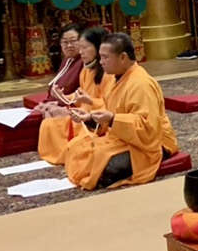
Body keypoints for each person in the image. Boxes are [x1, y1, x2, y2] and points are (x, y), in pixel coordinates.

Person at [63, 33, 177, 190]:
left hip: (153, 143)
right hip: (123, 138)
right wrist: (89, 118)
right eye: (100, 57)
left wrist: (112, 119)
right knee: (76, 146)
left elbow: (147, 128)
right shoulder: (115, 79)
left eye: (105, 57)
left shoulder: (141, 84)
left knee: (106, 163)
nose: (101, 62)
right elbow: (109, 112)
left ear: (123, 57)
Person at [37, 25, 109, 166]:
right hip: (86, 112)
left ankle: (69, 152)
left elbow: (112, 104)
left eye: (84, 48)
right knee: (49, 123)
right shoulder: (87, 70)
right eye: (80, 48)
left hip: (99, 119)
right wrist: (62, 98)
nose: (80, 52)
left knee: (75, 143)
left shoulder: (109, 73)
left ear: (98, 48)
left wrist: (89, 104)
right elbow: (80, 95)